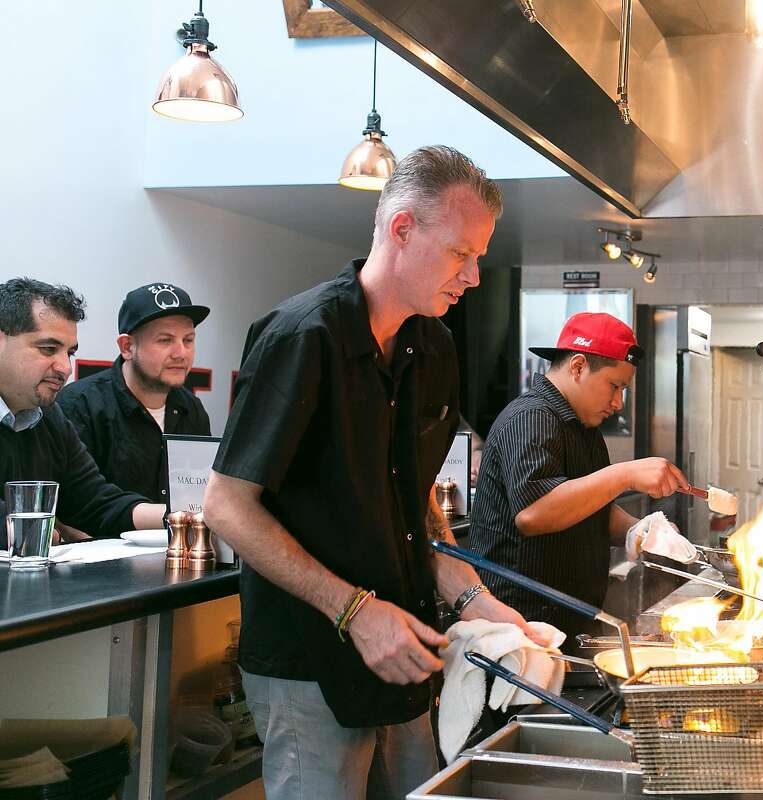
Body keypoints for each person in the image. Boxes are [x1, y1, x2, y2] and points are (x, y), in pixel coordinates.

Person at [202, 146, 543, 800]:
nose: (473, 277)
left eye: (480, 257)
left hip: (404, 650)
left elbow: (411, 505)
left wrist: (476, 600)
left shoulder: (435, 346)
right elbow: (227, 505)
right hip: (311, 662)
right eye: (460, 254)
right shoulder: (303, 336)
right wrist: (355, 610)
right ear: (402, 228)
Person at [469, 312, 691, 641]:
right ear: (577, 367)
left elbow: (586, 508)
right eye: (614, 386)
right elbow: (534, 513)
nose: (618, 402)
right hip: (520, 628)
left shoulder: (584, 429)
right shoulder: (531, 417)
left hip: (570, 619)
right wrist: (626, 474)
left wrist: (637, 530)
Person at [0, 278, 167, 537]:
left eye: (69, 353)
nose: (65, 368)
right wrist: (27, 529)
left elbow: (93, 502)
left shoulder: (48, 414)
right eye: (48, 349)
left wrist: (179, 516)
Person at [58, 283, 211, 503]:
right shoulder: (80, 405)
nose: (181, 353)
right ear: (127, 347)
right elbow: (71, 506)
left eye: (188, 340)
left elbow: (196, 497)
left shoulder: (192, 408)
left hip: (175, 537)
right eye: (165, 340)